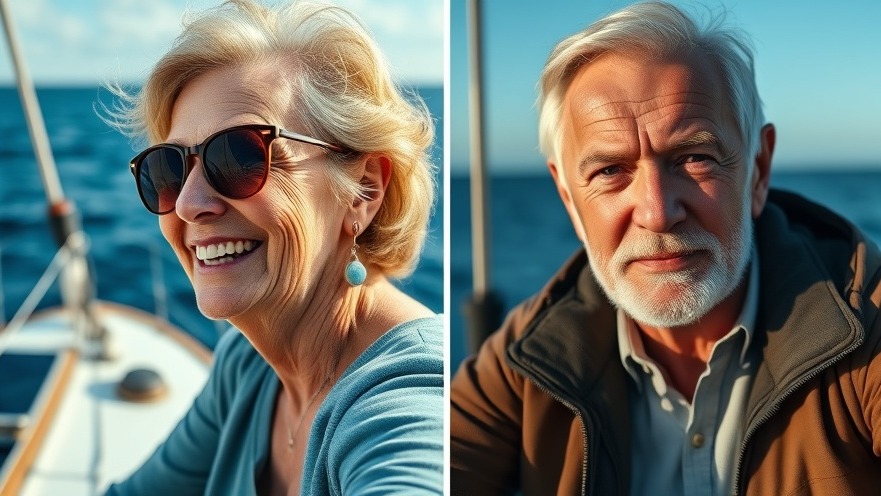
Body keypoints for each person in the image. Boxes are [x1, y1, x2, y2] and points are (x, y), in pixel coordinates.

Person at [450, 2, 881, 495]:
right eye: (610, 171)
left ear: (758, 170)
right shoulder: (530, 355)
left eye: (695, 158)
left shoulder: (864, 322)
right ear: (568, 198)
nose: (657, 212)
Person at [104, 0, 442, 494]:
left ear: (363, 191)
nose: (189, 204)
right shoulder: (247, 367)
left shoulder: (415, 397)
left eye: (240, 156)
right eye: (169, 169)